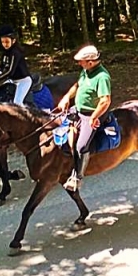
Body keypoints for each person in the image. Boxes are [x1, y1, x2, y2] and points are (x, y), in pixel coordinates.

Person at [55, 44, 111, 192]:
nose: (79, 63)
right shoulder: (86, 72)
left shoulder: (102, 77)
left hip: (91, 114)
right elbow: (77, 86)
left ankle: (77, 177)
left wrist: (94, 117)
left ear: (91, 62)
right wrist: (66, 97)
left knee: (81, 146)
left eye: (81, 61)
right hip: (79, 110)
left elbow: (105, 100)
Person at [0, 25, 33, 106]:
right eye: (2, 42)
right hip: (12, 80)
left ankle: (26, 116)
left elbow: (10, 71)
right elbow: (3, 65)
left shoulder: (15, 53)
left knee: (17, 103)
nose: (4, 44)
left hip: (23, 81)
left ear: (13, 41)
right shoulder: (5, 53)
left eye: (7, 42)